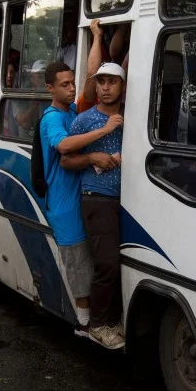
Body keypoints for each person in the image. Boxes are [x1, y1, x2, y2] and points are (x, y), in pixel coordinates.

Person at [37, 62, 119, 344]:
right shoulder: (51, 119)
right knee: (79, 266)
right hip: (63, 204)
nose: (71, 89)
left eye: (72, 83)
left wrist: (97, 36)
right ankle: (85, 326)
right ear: (50, 88)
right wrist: (104, 132)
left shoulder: (72, 110)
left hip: (80, 196)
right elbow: (64, 147)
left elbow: (91, 78)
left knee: (93, 260)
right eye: (64, 85)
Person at [65, 62, 126, 348]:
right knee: (107, 264)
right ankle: (98, 324)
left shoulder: (132, 116)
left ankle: (113, 321)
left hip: (125, 200)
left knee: (118, 264)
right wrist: (94, 157)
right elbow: (66, 158)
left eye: (112, 82)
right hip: (96, 198)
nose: (105, 88)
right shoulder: (85, 120)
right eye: (101, 82)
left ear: (122, 86)